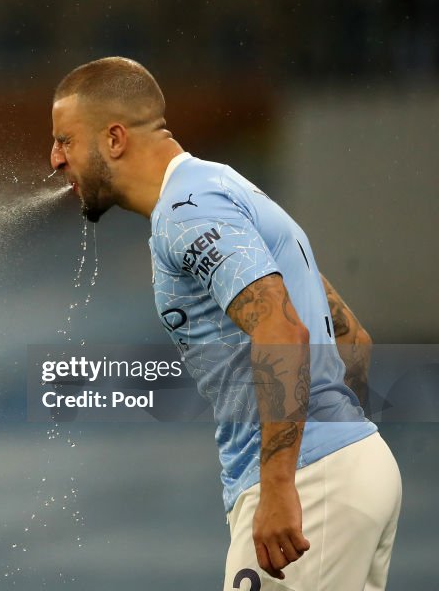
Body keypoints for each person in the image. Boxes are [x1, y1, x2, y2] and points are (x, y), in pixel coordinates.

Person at [49, 57, 401, 589]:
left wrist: (285, 482)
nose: (54, 159)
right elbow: (351, 335)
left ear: (115, 138)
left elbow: (282, 331)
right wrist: (344, 442)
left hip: (311, 487)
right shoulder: (221, 187)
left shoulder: (186, 213)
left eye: (64, 140)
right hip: (346, 473)